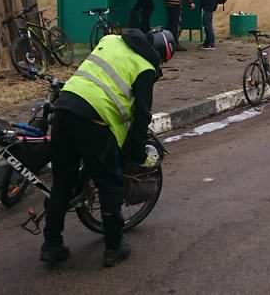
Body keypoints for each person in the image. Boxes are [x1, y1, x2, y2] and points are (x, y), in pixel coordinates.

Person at [41, 28, 175, 267]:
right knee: (109, 182)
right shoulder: (145, 67)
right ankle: (114, 247)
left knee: (63, 180)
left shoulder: (111, 39)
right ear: (159, 55)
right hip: (93, 119)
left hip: (65, 106)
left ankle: (51, 245)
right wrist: (137, 153)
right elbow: (141, 117)